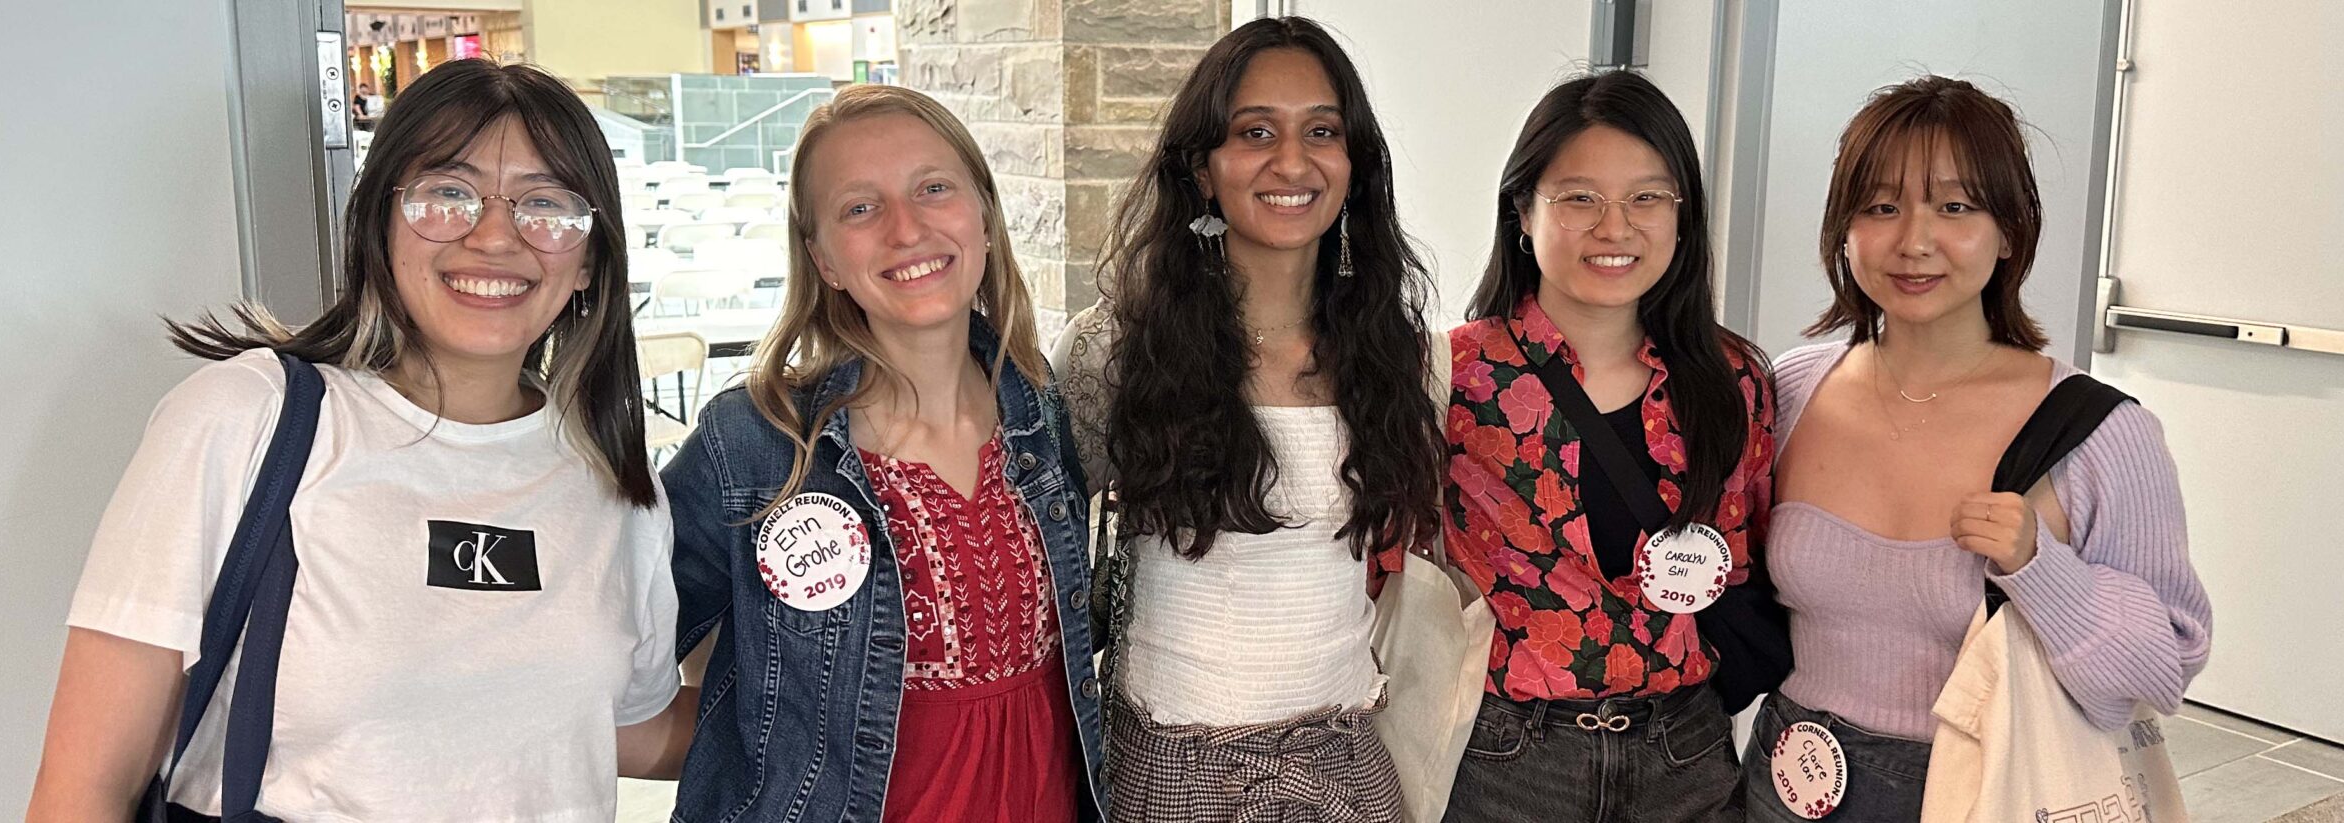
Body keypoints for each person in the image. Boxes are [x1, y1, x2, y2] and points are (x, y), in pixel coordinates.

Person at [27, 58, 688, 821]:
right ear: (381, 222)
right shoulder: (248, 419)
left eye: (546, 204)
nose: (495, 236)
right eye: (449, 192)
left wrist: (808, 689)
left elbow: (621, 728)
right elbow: (83, 787)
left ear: (590, 260)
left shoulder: (613, 483)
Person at [1737, 75, 2211, 820]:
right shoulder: (1789, 391)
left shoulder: (2099, 432)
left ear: (2010, 232)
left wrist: (2040, 567)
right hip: (1785, 779)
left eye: (1955, 208)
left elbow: (2164, 668)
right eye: (1881, 207)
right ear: (1843, 230)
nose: (1914, 241)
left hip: (1987, 789)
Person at [660, 83, 1105, 823]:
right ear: (824, 259)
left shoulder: (1036, 407)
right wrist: (750, 746)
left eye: (933, 188)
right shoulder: (755, 444)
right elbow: (611, 659)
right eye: (860, 208)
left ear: (984, 216)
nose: (907, 228)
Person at [1052, 15, 1445, 822]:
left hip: (1346, 761)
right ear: (1203, 168)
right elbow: (1043, 557)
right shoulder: (1114, 348)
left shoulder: (1391, 351)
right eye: (1255, 132)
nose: (1292, 162)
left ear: (1354, 165)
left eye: (1322, 131)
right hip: (1175, 769)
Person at [1438, 70, 1772, 822]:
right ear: (1522, 212)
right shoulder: (1455, 375)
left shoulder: (1732, 379)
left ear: (1683, 215)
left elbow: (1744, 559)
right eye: (1580, 198)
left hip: (1683, 755)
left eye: (1647, 198)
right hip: (1505, 761)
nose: (1615, 228)